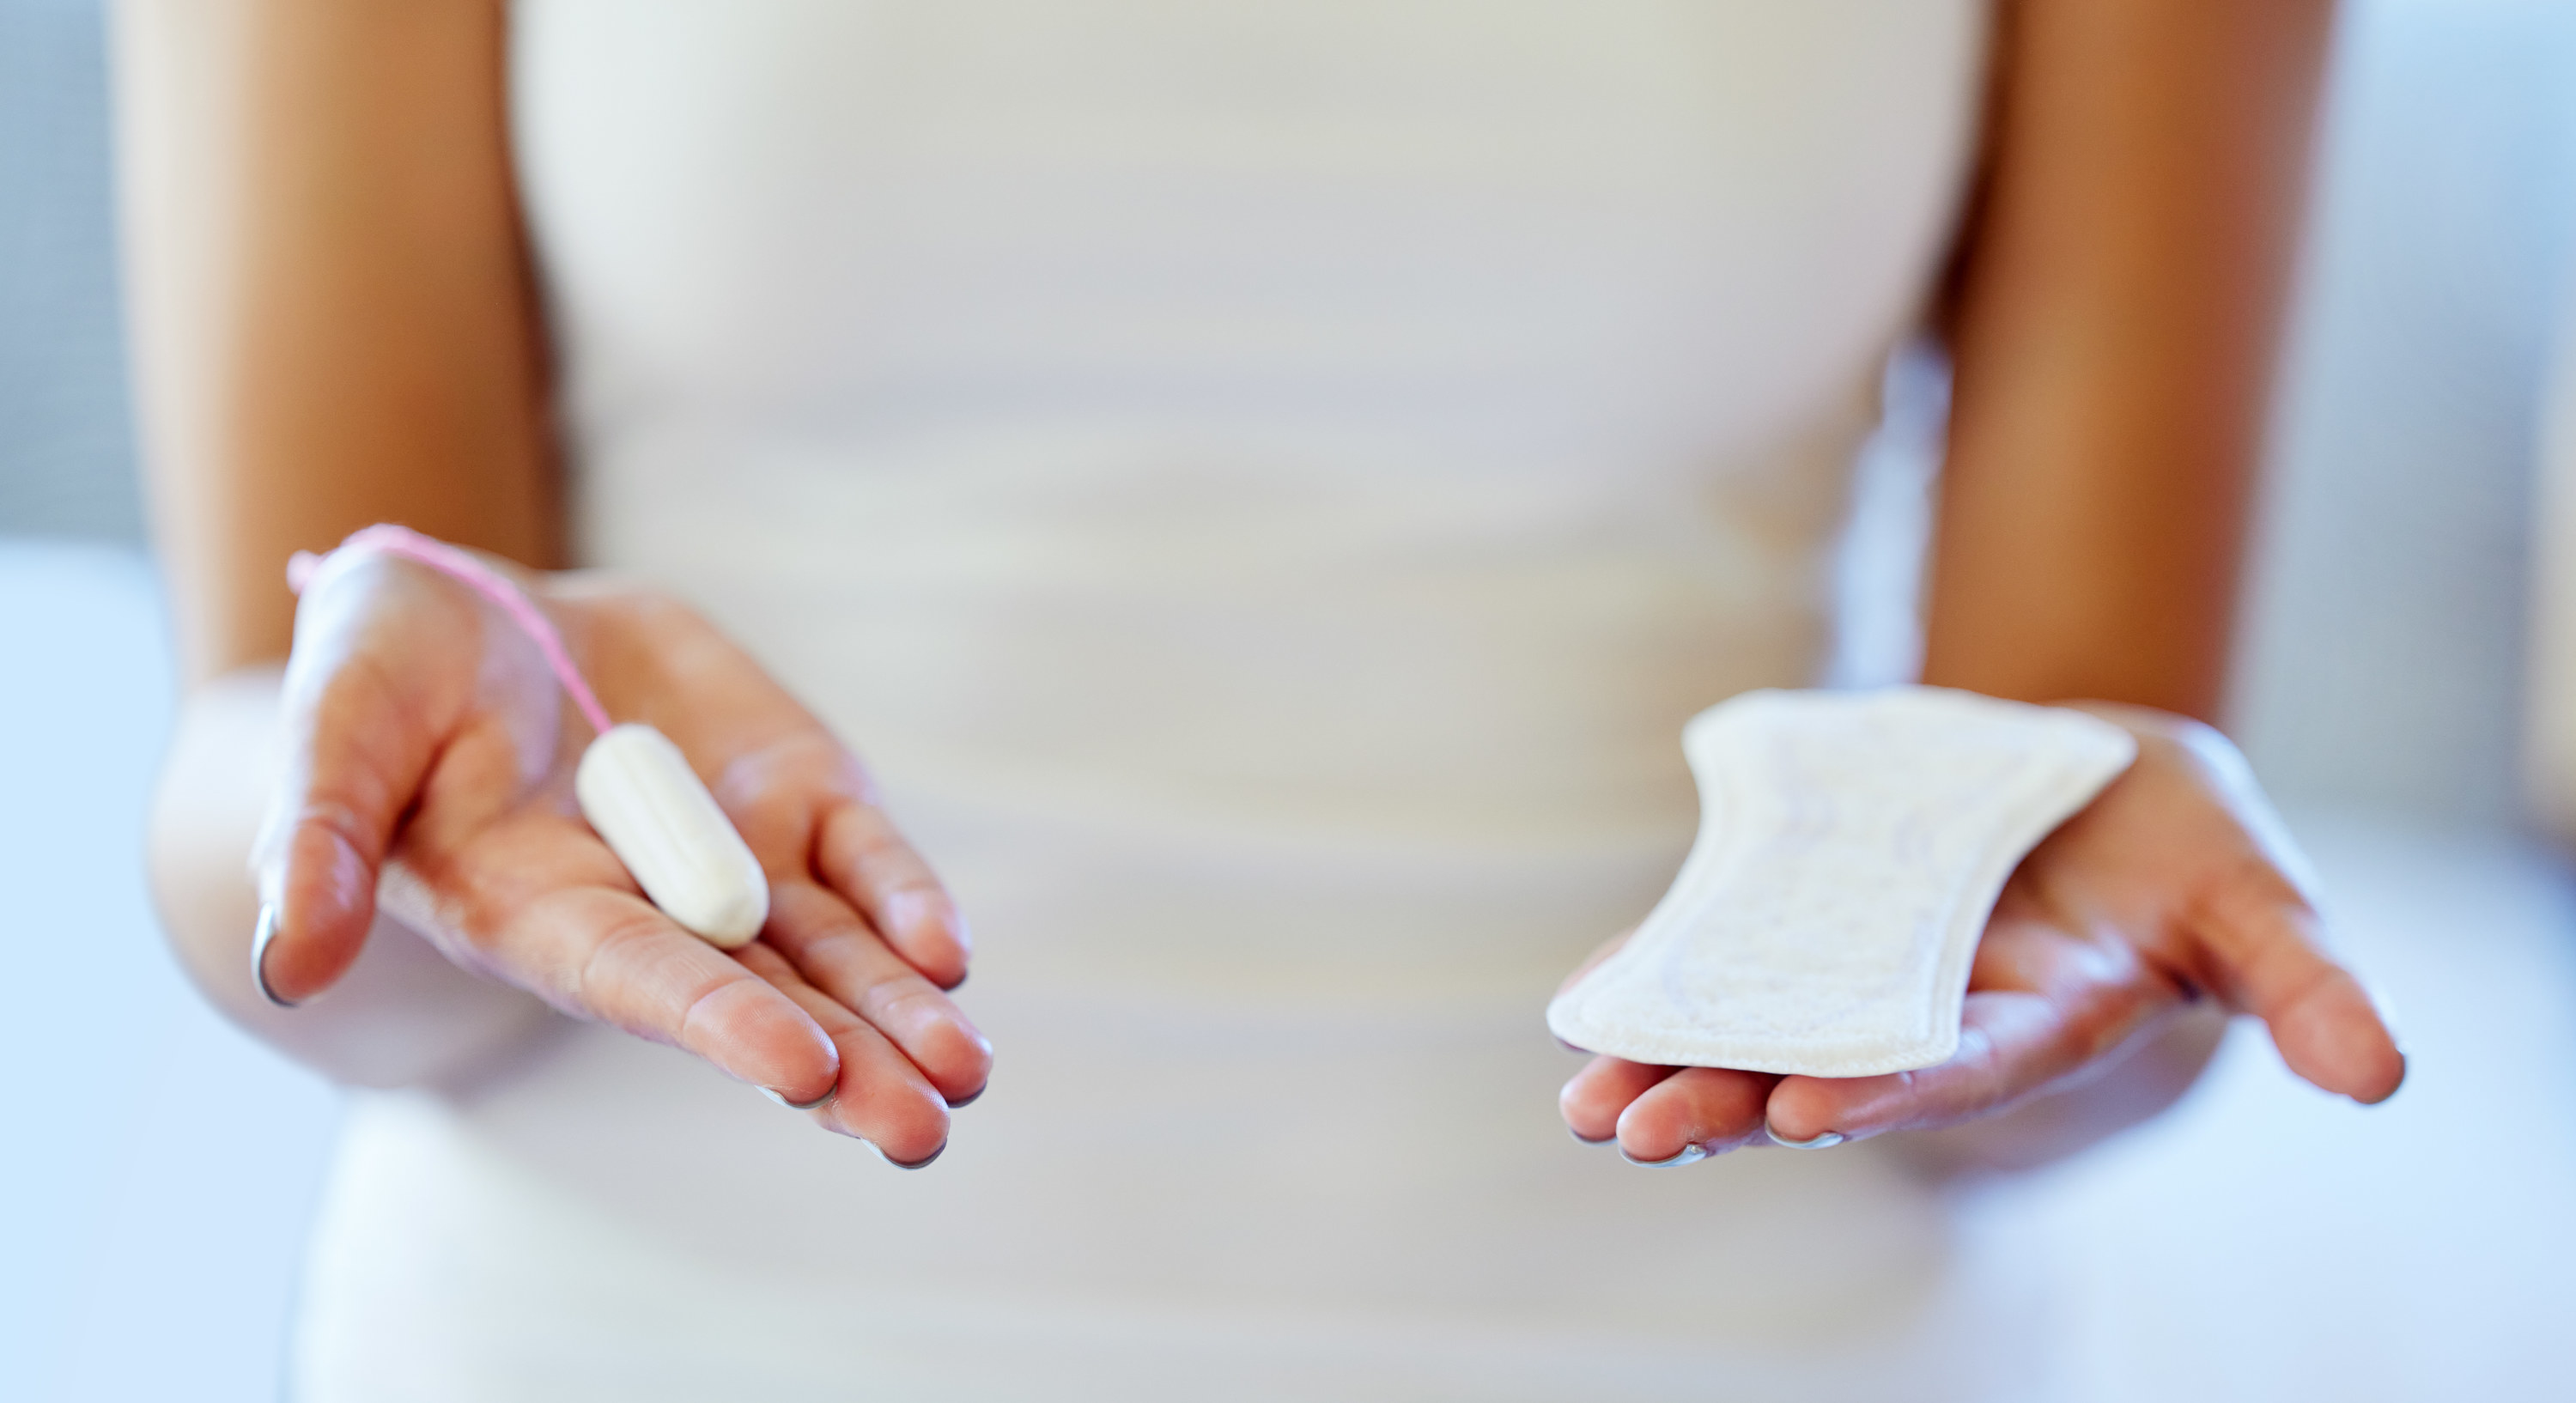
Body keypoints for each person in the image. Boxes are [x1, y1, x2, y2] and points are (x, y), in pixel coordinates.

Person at [125, 0, 2403, 1397]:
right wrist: (390, 837)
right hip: (648, 1347)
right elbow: (286, 771)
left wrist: (2065, 969)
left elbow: (2066, 924)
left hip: (1736, 1353)